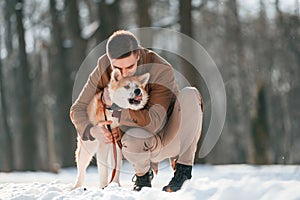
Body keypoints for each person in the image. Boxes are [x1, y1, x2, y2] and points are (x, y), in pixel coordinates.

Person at [70, 30, 203, 192]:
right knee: (133, 137)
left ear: (138, 55)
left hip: (168, 136)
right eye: (117, 67)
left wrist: (117, 108)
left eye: (130, 67)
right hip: (136, 143)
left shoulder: (161, 68)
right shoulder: (103, 67)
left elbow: (154, 123)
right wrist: (92, 130)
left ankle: (183, 171)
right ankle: (142, 177)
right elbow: (77, 109)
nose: (124, 73)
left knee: (190, 94)